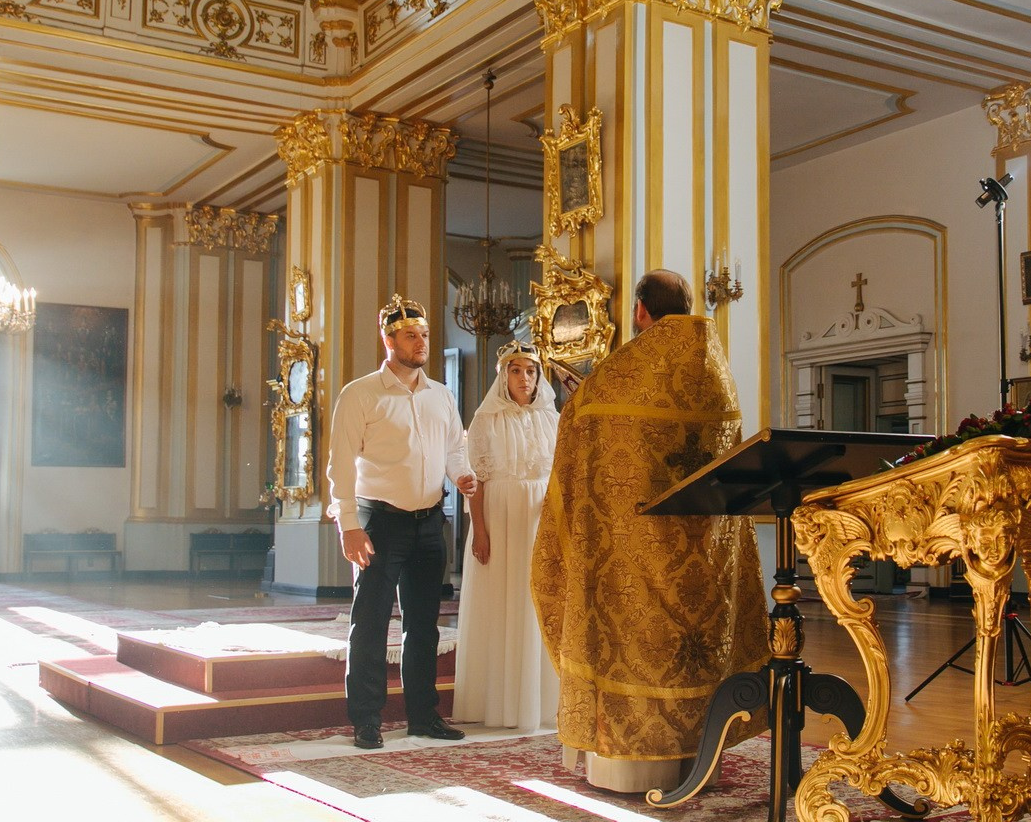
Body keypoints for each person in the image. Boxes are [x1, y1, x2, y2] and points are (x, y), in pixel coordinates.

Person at [531, 269, 768, 793]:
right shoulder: (716, 370)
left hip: (631, 553)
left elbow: (582, 426)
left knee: (631, 637)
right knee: (695, 647)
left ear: (641, 311)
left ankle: (627, 771)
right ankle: (696, 760)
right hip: (701, 556)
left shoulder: (620, 372)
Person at [325, 294, 475, 750]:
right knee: (370, 622)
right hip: (378, 523)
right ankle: (366, 719)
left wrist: (462, 475)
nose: (421, 342)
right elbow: (340, 465)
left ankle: (422, 716)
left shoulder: (441, 394)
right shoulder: (360, 394)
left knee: (424, 624)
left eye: (425, 335)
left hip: (431, 522)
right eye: (411, 335)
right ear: (388, 340)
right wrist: (348, 524)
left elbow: (454, 447)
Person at [452, 340, 561, 730]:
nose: (524, 378)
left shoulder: (552, 418)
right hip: (498, 517)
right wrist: (479, 531)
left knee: (536, 603)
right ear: (503, 376)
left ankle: (541, 702)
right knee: (502, 601)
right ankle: (497, 703)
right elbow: (477, 480)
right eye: (516, 371)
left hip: (538, 519)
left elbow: (558, 478)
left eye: (531, 371)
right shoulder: (485, 420)